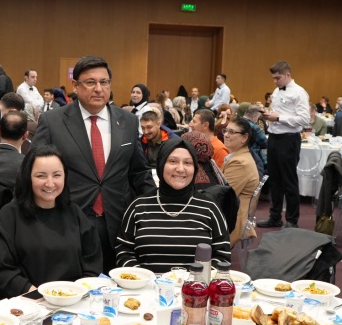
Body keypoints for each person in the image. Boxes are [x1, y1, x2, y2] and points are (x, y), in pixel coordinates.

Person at [32, 55, 155, 272]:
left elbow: (139, 172)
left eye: (104, 82)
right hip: (68, 222)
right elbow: (33, 171)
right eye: (90, 82)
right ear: (75, 85)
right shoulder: (53, 121)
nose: (98, 89)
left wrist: (155, 210)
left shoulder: (127, 121)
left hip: (117, 223)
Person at [0, 146, 103, 300]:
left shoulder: (74, 213)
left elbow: (92, 261)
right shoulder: (9, 215)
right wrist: (38, 295)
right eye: (41, 176)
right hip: (26, 301)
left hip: (73, 301)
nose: (50, 183)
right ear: (27, 177)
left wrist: (75, 293)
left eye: (57, 175)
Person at [115, 138, 231, 272]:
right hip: (146, 284)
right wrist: (143, 277)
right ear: (161, 165)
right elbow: (124, 251)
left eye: (187, 163)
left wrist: (194, 279)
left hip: (196, 284)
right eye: (173, 161)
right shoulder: (138, 206)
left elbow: (222, 257)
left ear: (195, 168)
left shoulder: (210, 208)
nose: (180, 169)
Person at [258, 61, 310, 229]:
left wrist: (279, 118)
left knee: (289, 181)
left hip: (289, 139)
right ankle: (275, 217)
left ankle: (292, 220)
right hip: (273, 137)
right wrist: (269, 115)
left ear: (288, 75)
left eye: (278, 78)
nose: (275, 81)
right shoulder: (276, 91)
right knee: (274, 180)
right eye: (273, 78)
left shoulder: (299, 92)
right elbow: (278, 113)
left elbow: (304, 119)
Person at [221, 117, 261, 244]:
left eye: (232, 132)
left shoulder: (240, 163)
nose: (226, 135)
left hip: (233, 221)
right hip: (234, 214)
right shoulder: (239, 156)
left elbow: (223, 197)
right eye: (225, 131)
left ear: (244, 138)